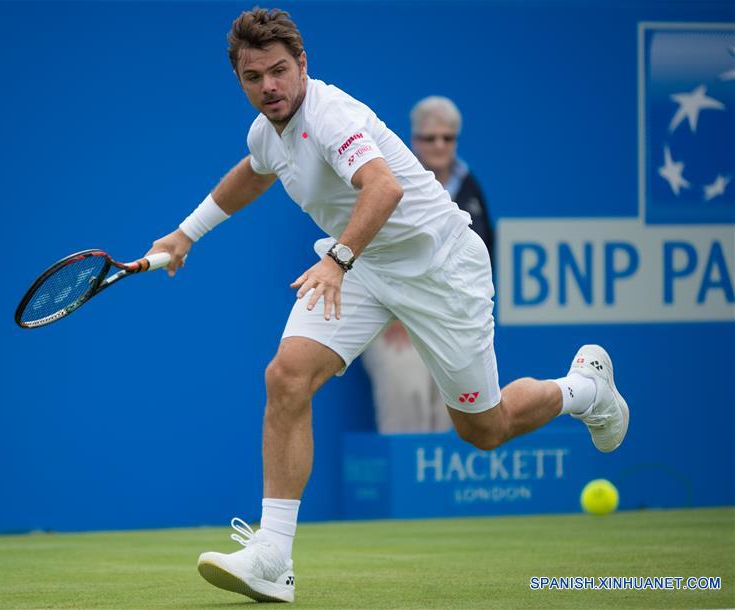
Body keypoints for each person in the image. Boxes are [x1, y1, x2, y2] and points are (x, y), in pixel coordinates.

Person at [145, 8, 629, 603]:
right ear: (240, 80)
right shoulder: (268, 131)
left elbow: (384, 187)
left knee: (484, 428)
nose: (268, 87)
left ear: (302, 66)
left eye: (278, 71)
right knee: (287, 376)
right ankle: (272, 555)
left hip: (441, 272)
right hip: (368, 266)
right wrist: (186, 233)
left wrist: (337, 259)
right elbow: (255, 171)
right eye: (253, 77)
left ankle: (584, 390)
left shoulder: (332, 116)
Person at [362, 96, 494, 434]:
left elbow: (482, 257)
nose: (439, 145)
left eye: (447, 138)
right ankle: (405, 490)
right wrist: (392, 314)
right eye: (429, 137)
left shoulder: (471, 187)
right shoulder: (389, 181)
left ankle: (438, 491)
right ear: (413, 140)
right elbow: (366, 246)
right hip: (397, 322)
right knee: (406, 410)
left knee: (455, 422)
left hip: (451, 322)